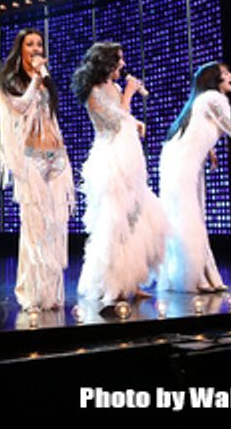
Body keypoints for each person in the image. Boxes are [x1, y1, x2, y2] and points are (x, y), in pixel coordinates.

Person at [70, 42, 167, 309]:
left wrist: (135, 120)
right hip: (109, 161)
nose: (123, 65)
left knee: (136, 219)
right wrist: (130, 95)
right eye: (119, 60)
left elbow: (123, 119)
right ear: (106, 63)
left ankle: (132, 281)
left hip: (128, 157)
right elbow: (113, 123)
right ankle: (111, 284)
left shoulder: (113, 87)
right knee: (115, 222)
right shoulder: (93, 92)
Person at [157, 62, 231, 293]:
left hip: (182, 164)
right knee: (190, 220)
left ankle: (204, 276)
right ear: (216, 79)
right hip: (183, 167)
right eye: (226, 73)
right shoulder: (214, 98)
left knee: (191, 219)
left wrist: (209, 150)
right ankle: (197, 278)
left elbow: (199, 130)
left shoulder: (204, 99)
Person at [0, 28, 75, 310]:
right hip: (31, 159)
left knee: (55, 228)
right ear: (20, 49)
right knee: (35, 228)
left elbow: (50, 118)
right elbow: (20, 107)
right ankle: (31, 294)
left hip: (57, 157)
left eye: (39, 44)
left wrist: (43, 79)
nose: (36, 49)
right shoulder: (10, 82)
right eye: (30, 44)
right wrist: (36, 80)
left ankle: (51, 295)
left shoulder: (46, 81)